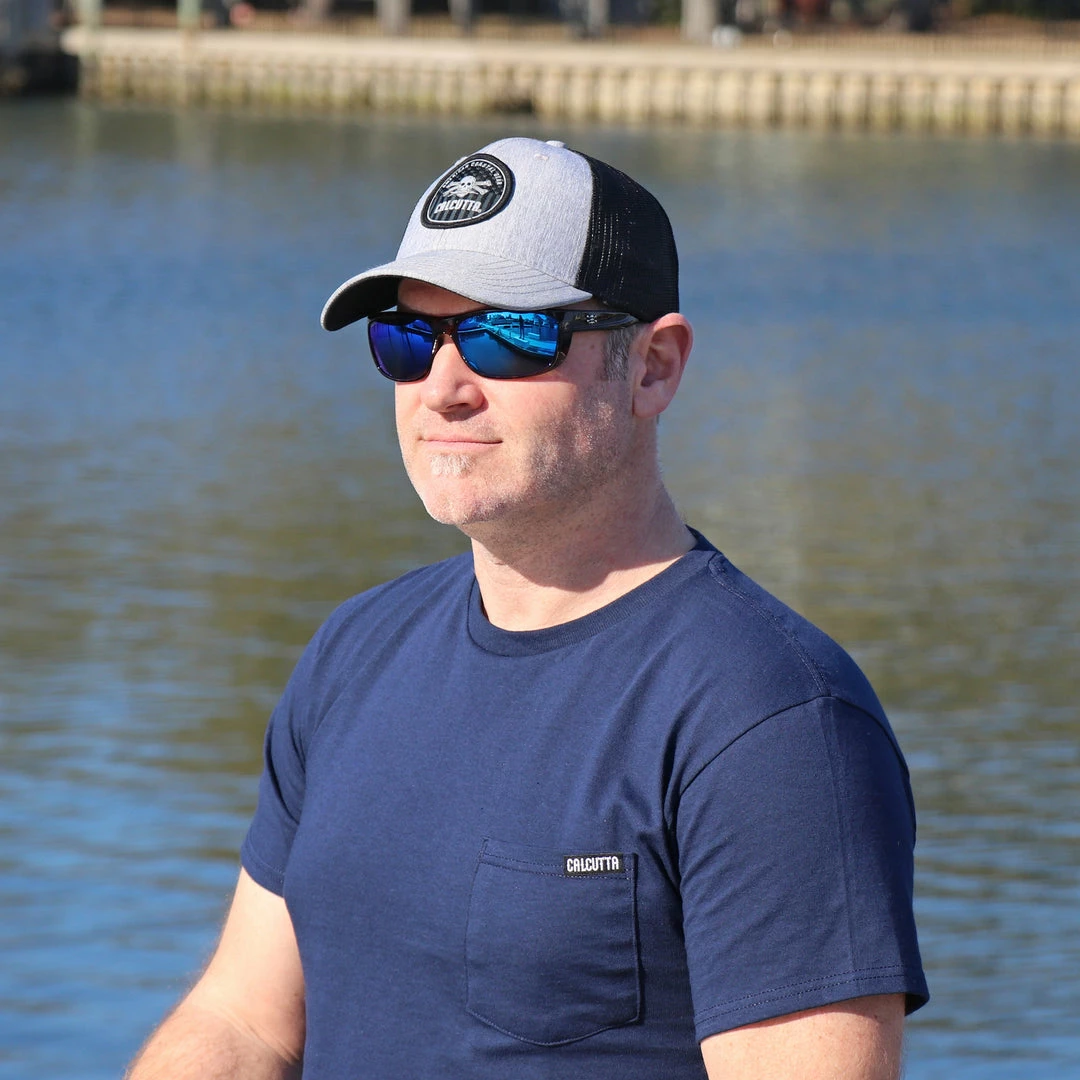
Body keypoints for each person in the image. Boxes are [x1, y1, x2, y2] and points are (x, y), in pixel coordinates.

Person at [126, 136, 928, 1080]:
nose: (443, 389)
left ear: (654, 367)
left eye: (510, 335)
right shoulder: (355, 652)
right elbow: (244, 1023)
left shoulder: (773, 722)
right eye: (408, 338)